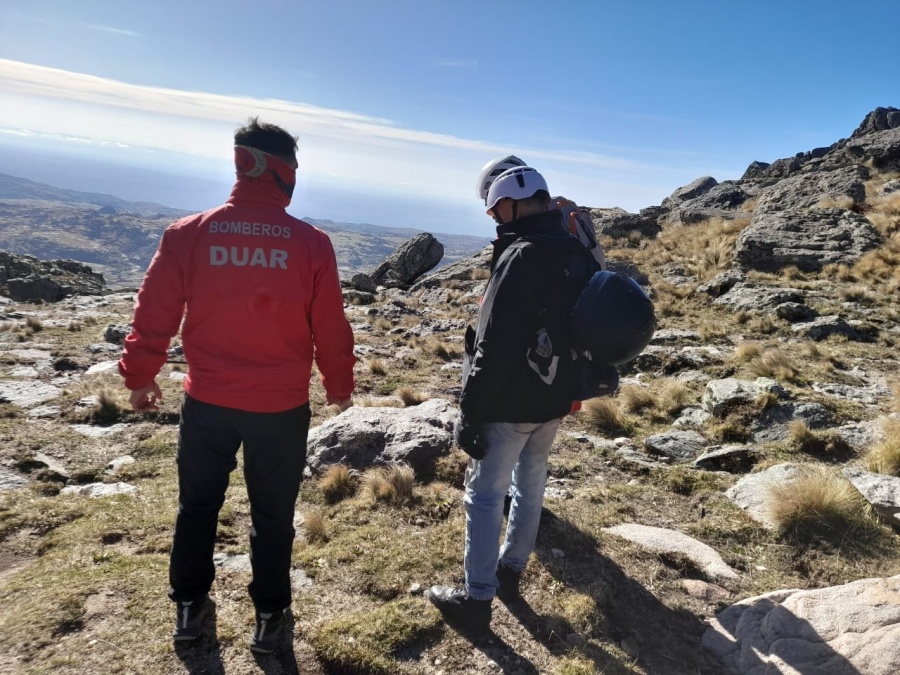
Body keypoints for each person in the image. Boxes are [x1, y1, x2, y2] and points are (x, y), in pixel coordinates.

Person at [118, 118, 355, 653]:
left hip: (207, 404)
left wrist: (139, 376)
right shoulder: (311, 244)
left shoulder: (189, 233)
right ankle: (271, 618)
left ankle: (187, 609)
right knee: (273, 518)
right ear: (283, 172)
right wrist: (339, 385)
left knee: (197, 509)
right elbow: (331, 325)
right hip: (281, 410)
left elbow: (153, 310)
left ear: (240, 164)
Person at [426, 166, 598, 631]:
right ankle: (511, 567)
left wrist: (471, 412)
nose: (496, 217)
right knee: (533, 478)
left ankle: (476, 600)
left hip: (510, 403)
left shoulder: (520, 255)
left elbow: (493, 346)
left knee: (484, 496)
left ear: (513, 203)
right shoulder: (575, 250)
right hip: (555, 395)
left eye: (498, 208)